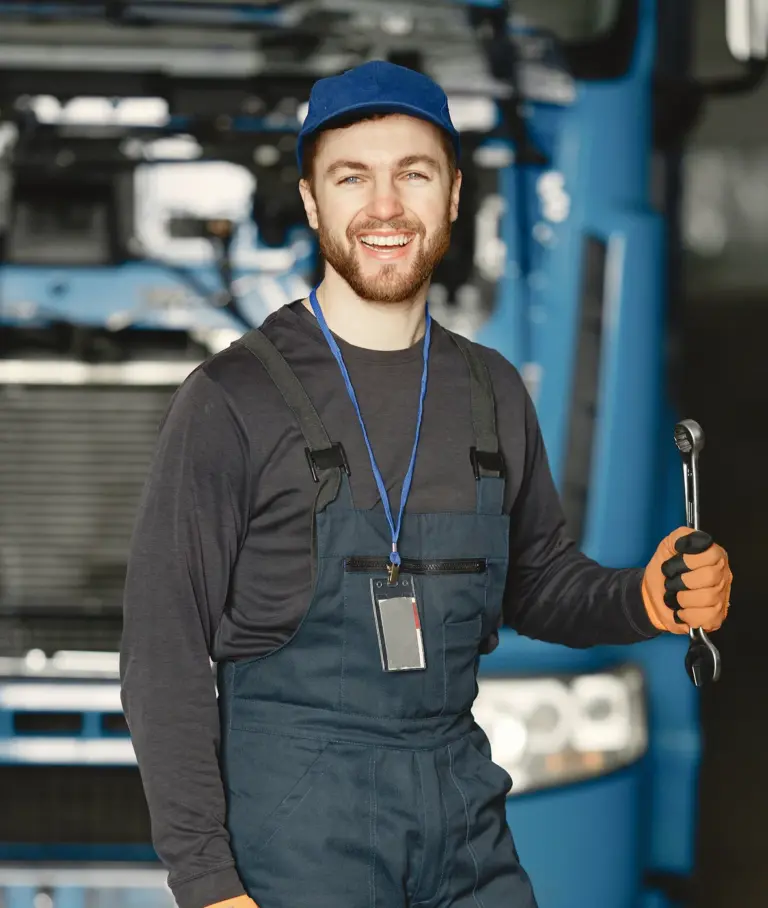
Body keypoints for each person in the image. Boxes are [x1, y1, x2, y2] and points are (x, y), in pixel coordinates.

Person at [119, 60, 732, 908]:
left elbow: (538, 584)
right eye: (352, 178)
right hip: (297, 833)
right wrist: (207, 882)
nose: (385, 207)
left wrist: (646, 598)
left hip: (462, 821)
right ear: (311, 203)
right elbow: (164, 653)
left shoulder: (490, 390)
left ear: (452, 197)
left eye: (413, 174)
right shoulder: (233, 400)